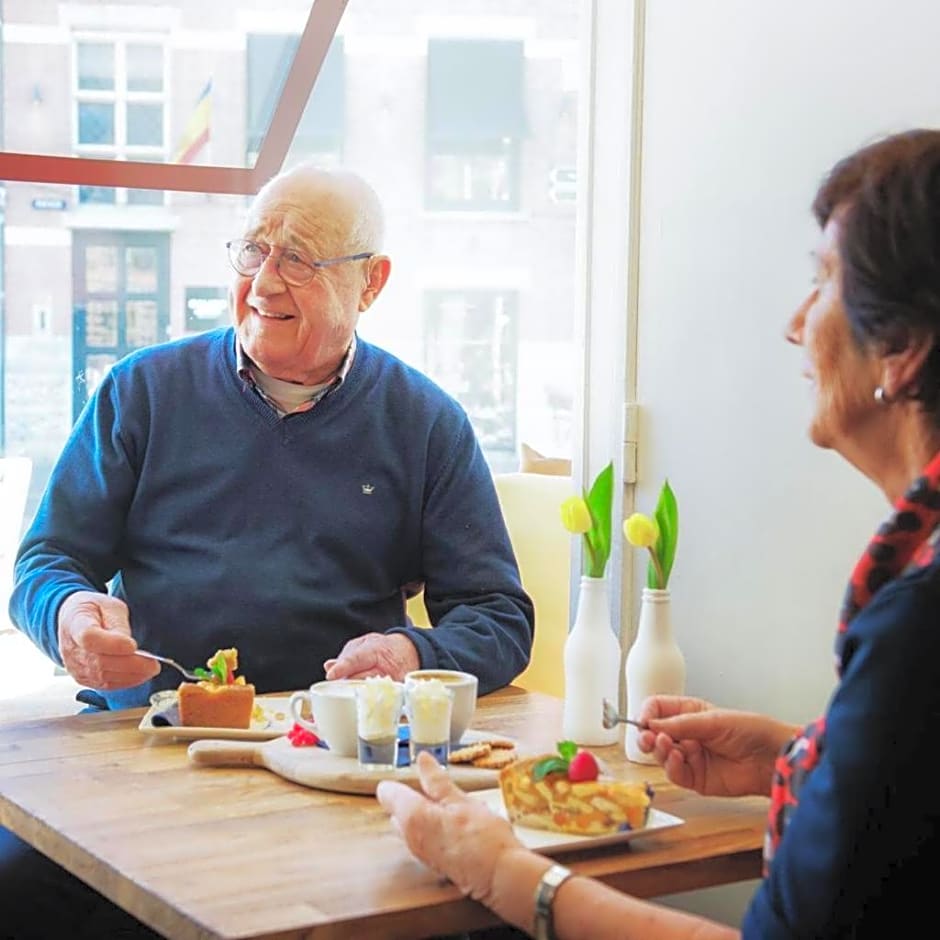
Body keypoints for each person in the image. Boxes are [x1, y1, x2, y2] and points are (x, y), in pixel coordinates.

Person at [377, 128, 940, 939]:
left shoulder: (917, 625)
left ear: (904, 350)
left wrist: (502, 873)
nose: (794, 323)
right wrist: (794, 758)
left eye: (822, 282)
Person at [3, 164, 534, 938]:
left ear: (372, 284)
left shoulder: (426, 423)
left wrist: (406, 652)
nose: (263, 282)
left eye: (299, 259)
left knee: (488, 918)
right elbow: (42, 563)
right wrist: (70, 614)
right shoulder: (142, 392)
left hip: (336, 760)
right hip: (150, 746)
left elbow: (498, 617)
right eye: (253, 250)